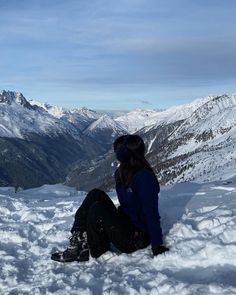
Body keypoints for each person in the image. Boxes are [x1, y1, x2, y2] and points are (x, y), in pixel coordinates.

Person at [51, 134, 169, 263]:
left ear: (123, 154)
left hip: (135, 237)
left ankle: (94, 249)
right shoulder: (122, 173)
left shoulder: (144, 178)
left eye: (116, 152)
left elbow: (151, 213)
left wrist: (157, 245)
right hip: (125, 222)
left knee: (97, 209)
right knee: (95, 194)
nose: (115, 155)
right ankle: (78, 240)